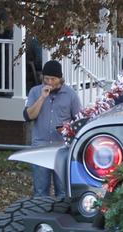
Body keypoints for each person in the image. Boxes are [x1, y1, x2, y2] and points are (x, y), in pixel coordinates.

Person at [24, 60, 82, 198]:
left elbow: (79, 121)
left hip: (61, 148)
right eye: (46, 78)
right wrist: (42, 98)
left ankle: (62, 217)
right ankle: (40, 217)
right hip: (40, 146)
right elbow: (28, 116)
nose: (49, 82)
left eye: (53, 79)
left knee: (62, 191)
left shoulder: (71, 95)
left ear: (60, 78)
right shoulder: (35, 91)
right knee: (40, 191)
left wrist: (67, 129)